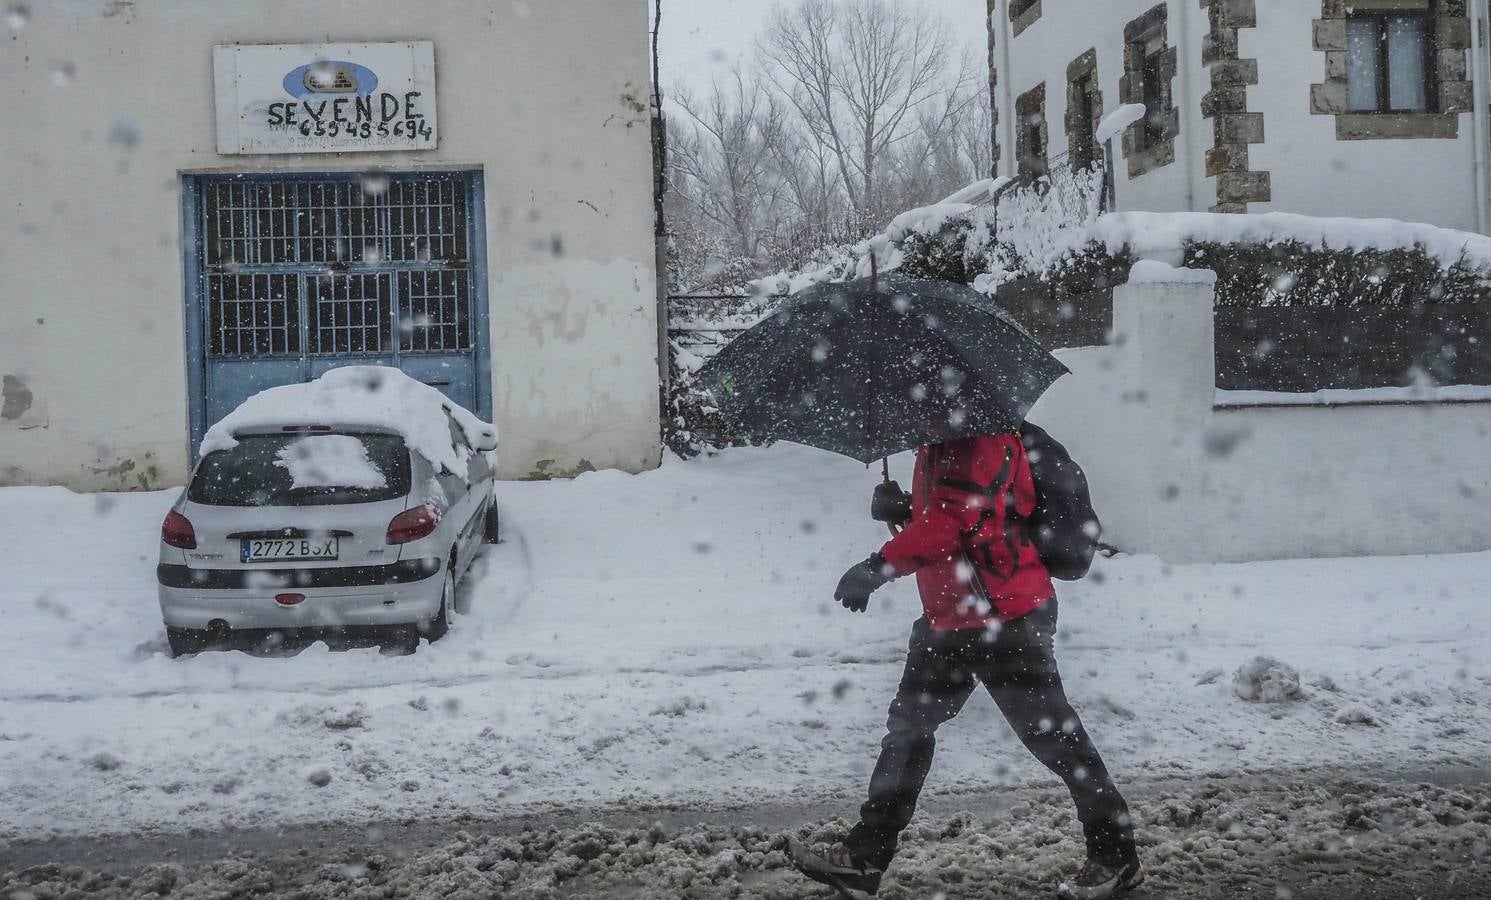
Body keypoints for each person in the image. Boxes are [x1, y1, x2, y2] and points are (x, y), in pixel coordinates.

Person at [789, 430, 1143, 899]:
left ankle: (1116, 856)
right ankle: (864, 858)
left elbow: (953, 522)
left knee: (1055, 738)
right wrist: (904, 510)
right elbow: (966, 518)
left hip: (1004, 617)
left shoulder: (983, 439)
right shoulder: (940, 441)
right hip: (949, 617)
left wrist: (878, 567)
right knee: (909, 731)